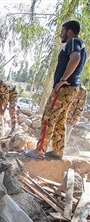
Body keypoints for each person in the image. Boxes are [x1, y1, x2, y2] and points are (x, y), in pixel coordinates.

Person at [26, 20, 86, 159]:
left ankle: (39, 150)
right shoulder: (79, 44)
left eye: (62, 31)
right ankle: (58, 151)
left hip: (64, 88)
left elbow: (75, 58)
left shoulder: (73, 42)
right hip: (71, 89)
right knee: (60, 119)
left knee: (48, 117)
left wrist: (63, 80)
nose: (61, 35)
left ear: (70, 32)